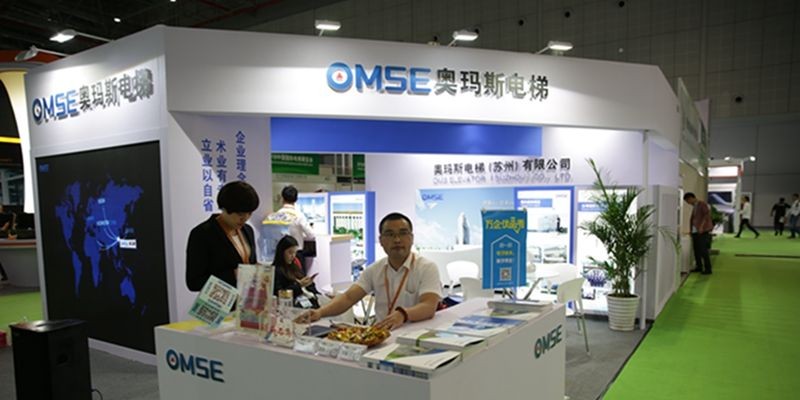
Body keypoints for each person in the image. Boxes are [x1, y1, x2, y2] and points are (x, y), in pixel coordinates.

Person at [295, 212, 442, 330]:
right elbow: (348, 298)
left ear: (411, 238)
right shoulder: (375, 269)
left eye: (403, 233)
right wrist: (320, 312)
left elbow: (429, 306)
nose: (397, 240)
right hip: (382, 336)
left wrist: (403, 314)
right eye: (390, 234)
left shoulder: (427, 268)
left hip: (414, 337)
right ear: (381, 240)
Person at [186, 181, 260, 291]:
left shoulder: (247, 230)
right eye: (240, 214)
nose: (245, 218)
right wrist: (233, 275)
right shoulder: (202, 234)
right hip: (220, 300)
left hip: (248, 298)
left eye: (249, 213)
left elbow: (250, 263)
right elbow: (194, 282)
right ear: (224, 209)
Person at [266, 185, 316, 264]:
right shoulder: (299, 215)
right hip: (296, 254)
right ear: (296, 199)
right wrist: (301, 235)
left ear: (282, 198)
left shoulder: (276, 215)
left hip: (280, 254)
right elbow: (311, 235)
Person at [272, 235, 321, 309]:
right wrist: (299, 285)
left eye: (295, 253)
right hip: (292, 304)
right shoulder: (276, 271)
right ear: (281, 252)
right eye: (290, 252)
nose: (293, 256)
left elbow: (304, 280)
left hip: (307, 299)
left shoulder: (294, 266)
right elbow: (280, 293)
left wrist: (309, 283)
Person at [684, 192, 713, 275]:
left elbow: (706, 215)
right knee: (696, 250)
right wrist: (691, 230)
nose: (688, 203)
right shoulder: (695, 206)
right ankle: (699, 266)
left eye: (687, 201)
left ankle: (708, 269)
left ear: (691, 198)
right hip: (695, 231)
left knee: (703, 250)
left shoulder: (702, 204)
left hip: (702, 231)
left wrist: (702, 227)